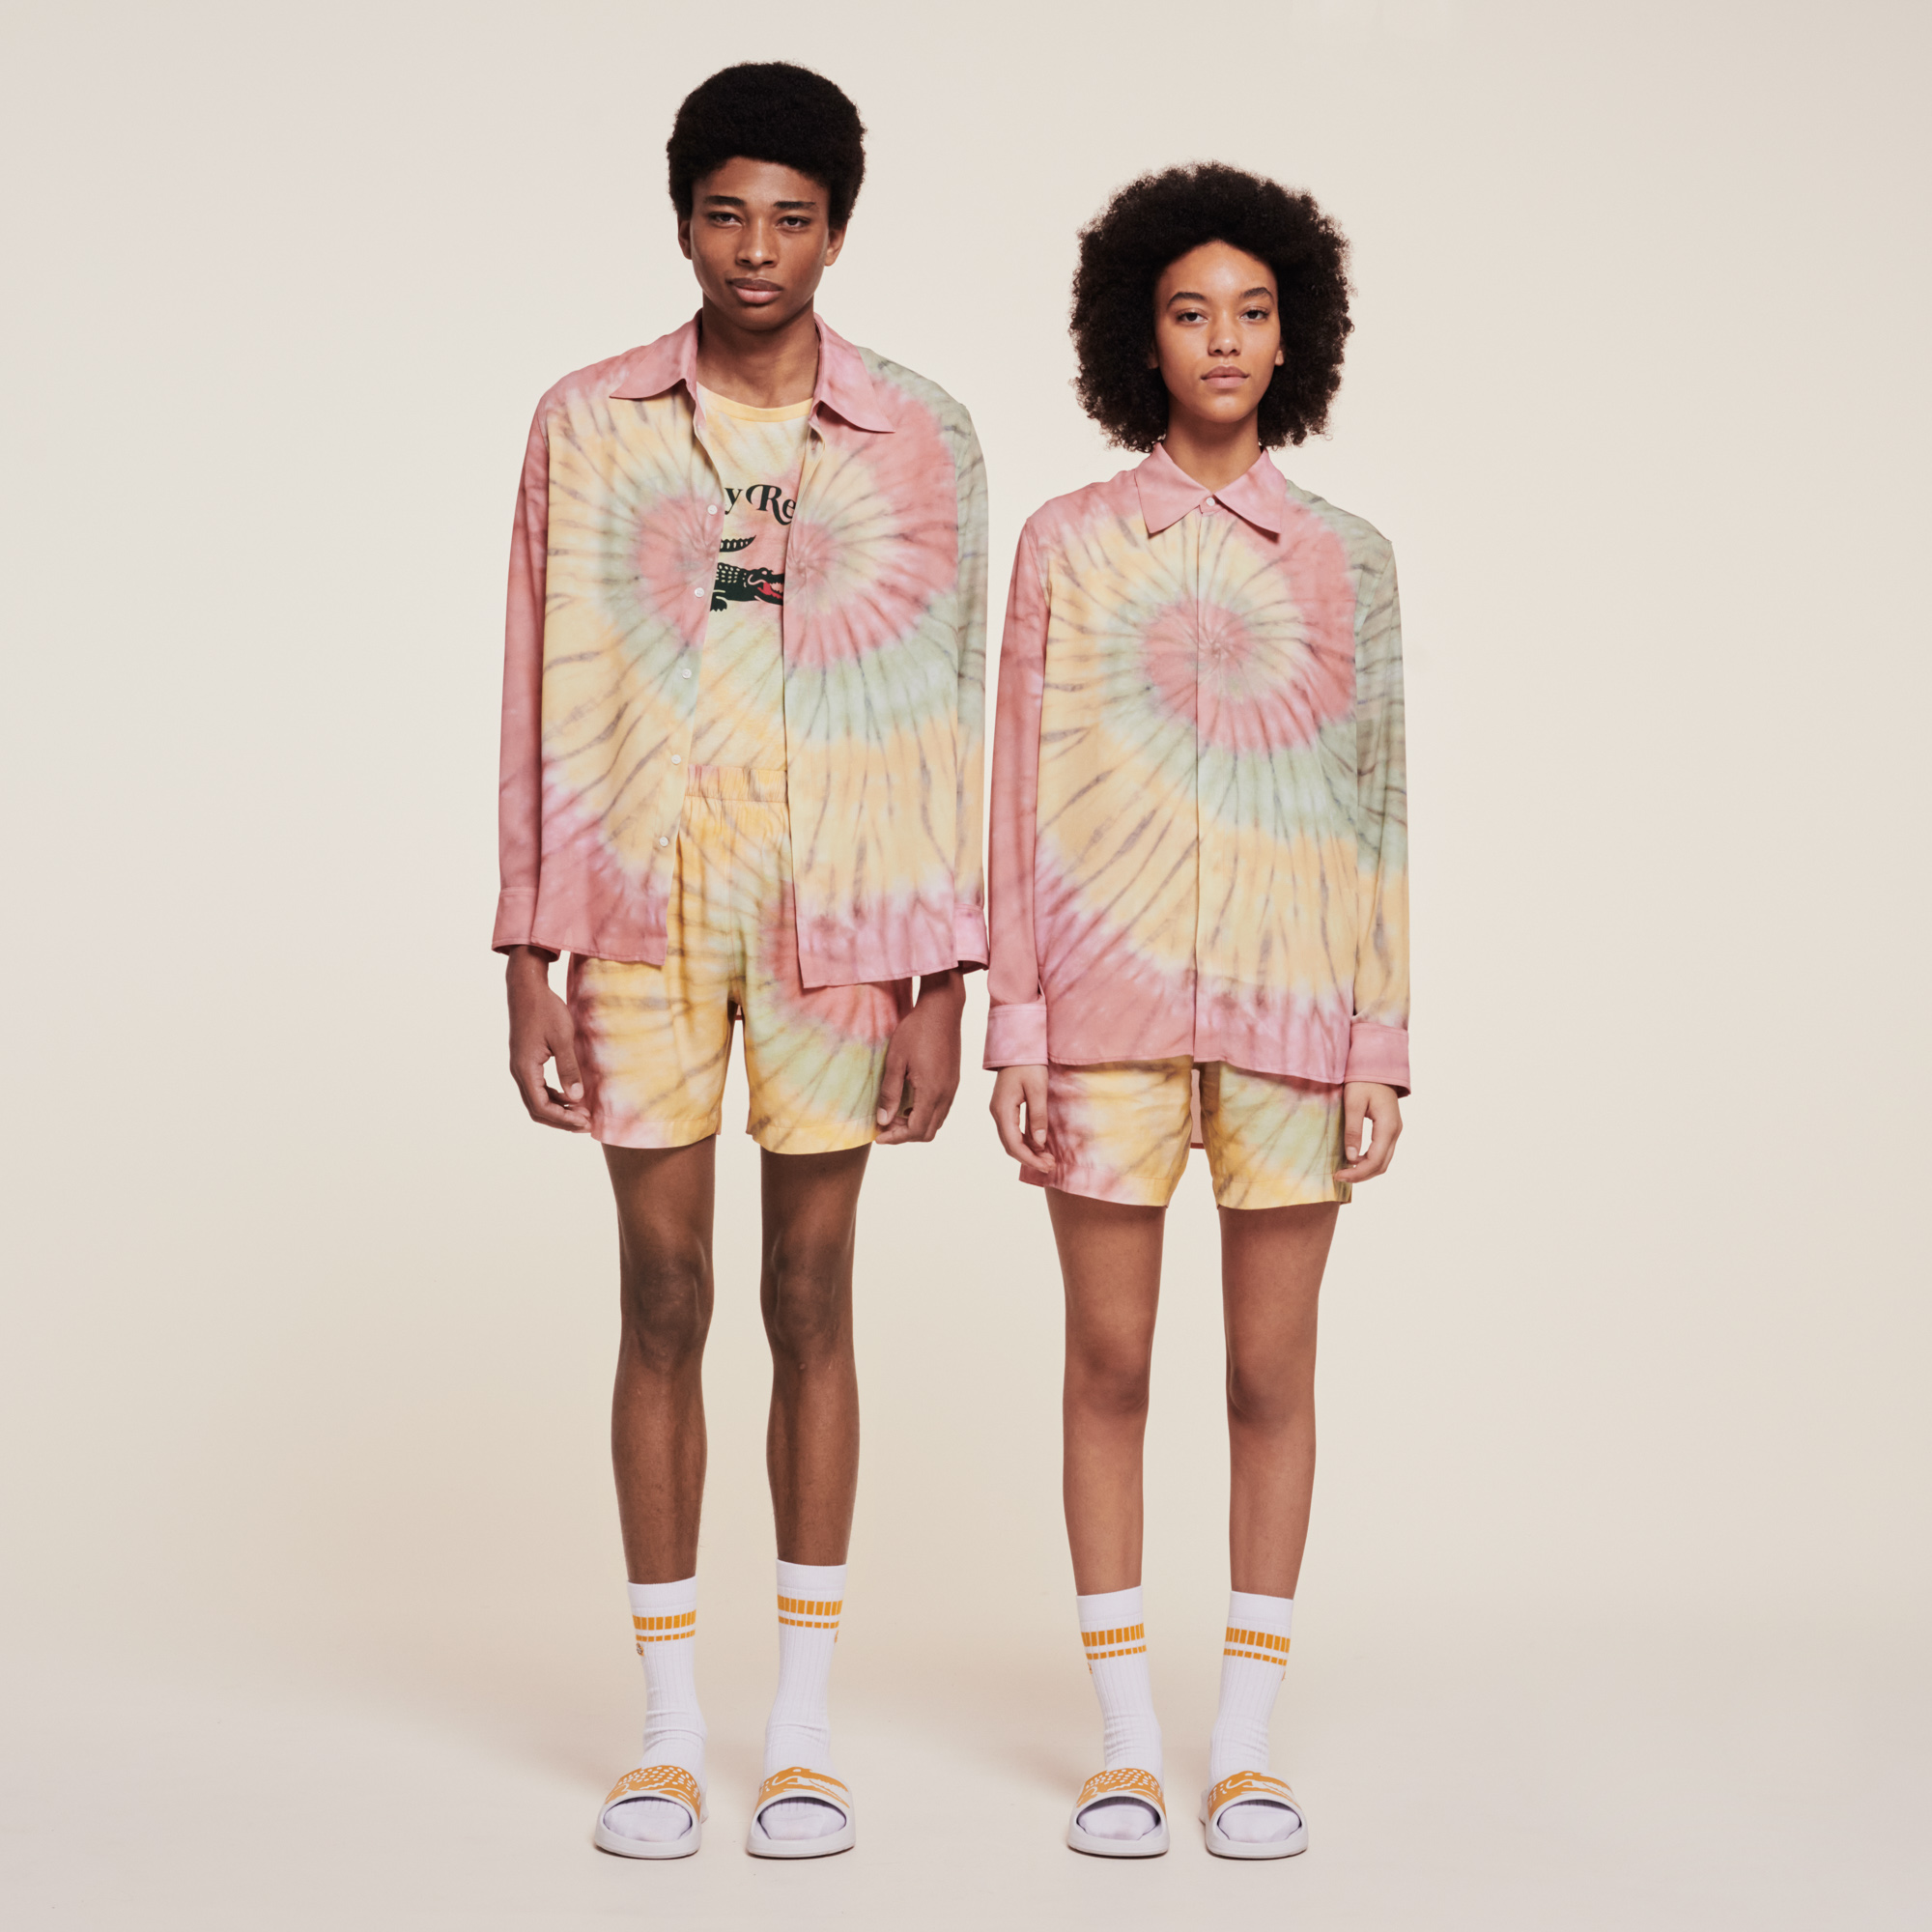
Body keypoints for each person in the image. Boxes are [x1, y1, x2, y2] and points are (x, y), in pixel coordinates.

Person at [495, 62, 987, 1861]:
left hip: (841, 910)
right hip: (637, 898)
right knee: (661, 1295)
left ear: (838, 233)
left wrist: (946, 978)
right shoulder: (588, 422)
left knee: (811, 1294)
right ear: (683, 221)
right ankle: (665, 1730)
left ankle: (800, 1731)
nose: (756, 248)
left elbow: (946, 705)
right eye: (726, 213)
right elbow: (533, 682)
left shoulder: (920, 437)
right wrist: (527, 947)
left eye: (791, 217)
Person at [983, 163, 1408, 1861]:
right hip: (1102, 1017)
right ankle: (1122, 1747)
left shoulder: (1352, 562)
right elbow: (1015, 795)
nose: (1223, 339)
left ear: (1294, 336)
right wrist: (1017, 1026)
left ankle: (1243, 1746)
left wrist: (1381, 1041)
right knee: (1107, 1363)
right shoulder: (1067, 547)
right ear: (1136, 337)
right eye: (1188, 310)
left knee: (1265, 1372)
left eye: (1252, 311)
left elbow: (1381, 806)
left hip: (1300, 1017)